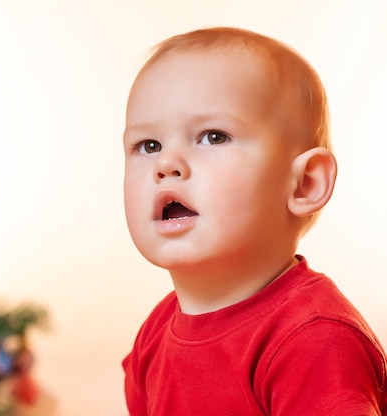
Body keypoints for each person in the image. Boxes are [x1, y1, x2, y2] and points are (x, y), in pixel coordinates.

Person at [121, 26, 387, 415]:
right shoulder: (156, 333)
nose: (166, 164)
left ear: (305, 184)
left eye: (213, 136)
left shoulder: (312, 340)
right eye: (149, 146)